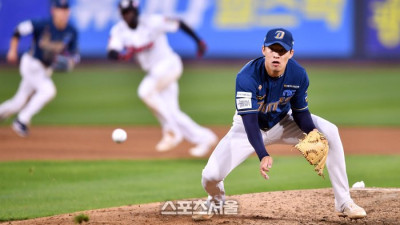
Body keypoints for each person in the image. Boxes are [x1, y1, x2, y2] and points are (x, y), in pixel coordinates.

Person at [195, 28, 367, 220]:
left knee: (330, 132)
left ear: (290, 53)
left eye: (282, 50)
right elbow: (250, 122)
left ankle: (343, 202)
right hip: (246, 128)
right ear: (263, 50)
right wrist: (262, 154)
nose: (276, 54)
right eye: (272, 49)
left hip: (284, 122)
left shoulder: (298, 75)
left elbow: (301, 114)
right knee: (210, 176)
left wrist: (313, 135)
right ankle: (216, 200)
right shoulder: (246, 77)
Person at [107, 0, 217, 157]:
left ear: (136, 11)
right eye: (124, 13)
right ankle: (206, 138)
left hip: (169, 64)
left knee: (145, 91)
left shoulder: (152, 22)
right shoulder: (119, 30)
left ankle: (171, 131)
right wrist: (120, 56)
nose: (127, 16)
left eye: (130, 12)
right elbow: (112, 51)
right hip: (155, 73)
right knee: (172, 111)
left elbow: (178, 24)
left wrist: (198, 41)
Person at [0, 0, 79, 137]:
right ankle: (21, 120)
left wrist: (71, 62)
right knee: (48, 91)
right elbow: (19, 30)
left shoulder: (71, 31)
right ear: (53, 11)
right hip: (31, 64)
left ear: (69, 12)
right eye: (60, 10)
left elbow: (74, 54)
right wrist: (13, 50)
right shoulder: (42, 24)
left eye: (66, 10)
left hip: (46, 70)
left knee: (18, 102)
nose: (63, 13)